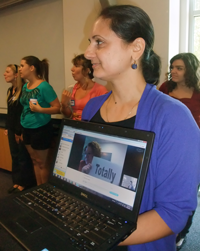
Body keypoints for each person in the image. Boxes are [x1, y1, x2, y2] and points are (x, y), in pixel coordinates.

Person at [82, 5, 200, 251]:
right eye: (90, 42)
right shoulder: (92, 108)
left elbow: (174, 213)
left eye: (99, 42)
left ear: (136, 48)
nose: (88, 52)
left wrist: (95, 233)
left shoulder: (173, 118)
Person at [159, 52, 200, 250]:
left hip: (192, 151)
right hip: (165, 148)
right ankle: (162, 228)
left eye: (179, 68)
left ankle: (182, 232)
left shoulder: (199, 94)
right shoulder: (165, 89)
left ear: (189, 71)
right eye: (172, 67)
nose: (173, 71)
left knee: (188, 192)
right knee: (164, 191)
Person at [19, 56, 60, 186]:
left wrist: (40, 109)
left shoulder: (44, 86)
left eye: (22, 66)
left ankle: (45, 192)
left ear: (32, 68)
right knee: (34, 160)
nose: (19, 69)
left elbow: (57, 108)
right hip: (27, 128)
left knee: (42, 163)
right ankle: (38, 189)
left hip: (40, 129)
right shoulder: (25, 86)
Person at [4, 64, 36, 193]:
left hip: (22, 129)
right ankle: (16, 181)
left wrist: (19, 131)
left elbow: (23, 112)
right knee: (15, 156)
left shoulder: (24, 90)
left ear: (16, 75)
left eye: (7, 72)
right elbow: (10, 112)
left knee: (23, 157)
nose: (4, 74)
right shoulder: (10, 90)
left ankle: (25, 183)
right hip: (12, 129)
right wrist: (8, 127)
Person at [60, 54, 107, 120]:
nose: (72, 69)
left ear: (87, 70)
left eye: (76, 66)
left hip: (89, 129)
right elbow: (68, 116)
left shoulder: (101, 91)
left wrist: (85, 118)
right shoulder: (70, 89)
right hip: (74, 127)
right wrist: (64, 104)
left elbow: (104, 116)